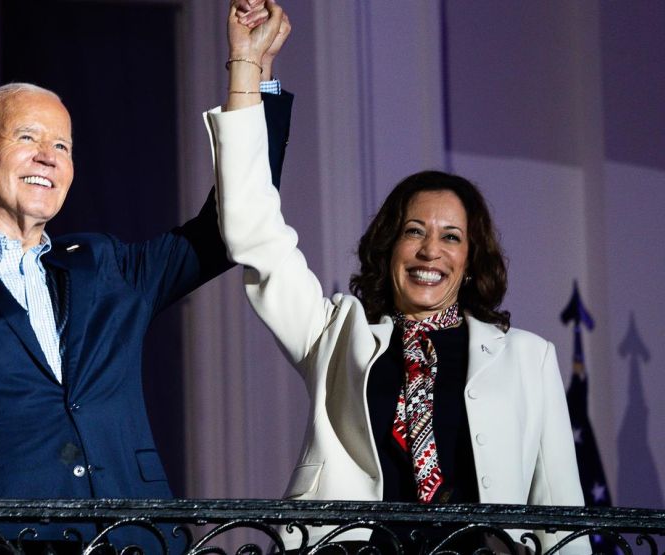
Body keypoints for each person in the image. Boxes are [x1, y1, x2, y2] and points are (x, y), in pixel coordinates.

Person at [0, 6, 292, 552]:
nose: (48, 158)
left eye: (63, 146)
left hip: (135, 537)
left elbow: (230, 226)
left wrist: (249, 70)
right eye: (28, 137)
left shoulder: (105, 265)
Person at [205, 2, 588, 553]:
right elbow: (252, 234)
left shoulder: (531, 360)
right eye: (414, 231)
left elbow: (561, 520)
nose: (431, 250)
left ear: (471, 258)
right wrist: (245, 67)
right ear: (389, 247)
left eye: (451, 237)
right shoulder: (335, 335)